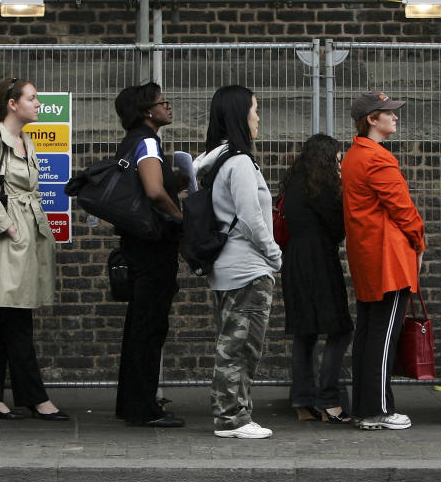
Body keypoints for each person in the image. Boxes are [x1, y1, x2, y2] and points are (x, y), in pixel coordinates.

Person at [0, 78, 67, 423]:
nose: (38, 103)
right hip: (8, 237)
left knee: (4, 317)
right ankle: (34, 397)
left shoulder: (25, 141)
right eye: (32, 98)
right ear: (12, 104)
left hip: (28, 234)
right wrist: (7, 225)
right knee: (15, 316)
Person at [194, 85, 280, 439]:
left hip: (228, 268)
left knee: (233, 345)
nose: (258, 118)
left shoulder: (217, 162)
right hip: (247, 269)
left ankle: (235, 414)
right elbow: (250, 218)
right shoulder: (240, 163)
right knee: (240, 349)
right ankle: (232, 419)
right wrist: (274, 255)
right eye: (255, 110)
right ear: (239, 115)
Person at [341, 91, 425, 431]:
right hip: (389, 259)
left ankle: (366, 407)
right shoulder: (378, 158)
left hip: (368, 257)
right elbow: (403, 209)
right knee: (384, 335)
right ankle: (377, 410)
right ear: (371, 119)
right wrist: (419, 243)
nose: (395, 117)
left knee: (369, 333)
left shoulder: (353, 156)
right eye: (387, 113)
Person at [112, 82, 184, 428]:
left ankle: (131, 402)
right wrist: (180, 217)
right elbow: (154, 192)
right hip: (154, 247)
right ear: (146, 111)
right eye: (162, 103)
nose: (168, 107)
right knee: (150, 327)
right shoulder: (147, 142)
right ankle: (144, 407)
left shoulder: (132, 142)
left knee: (138, 326)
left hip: (136, 245)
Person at [278, 133, 352, 424]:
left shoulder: (295, 183)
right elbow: (337, 228)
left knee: (304, 332)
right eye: (336, 159)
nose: (339, 164)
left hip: (294, 259)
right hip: (320, 259)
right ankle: (329, 401)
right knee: (341, 329)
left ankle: (302, 401)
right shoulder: (323, 188)